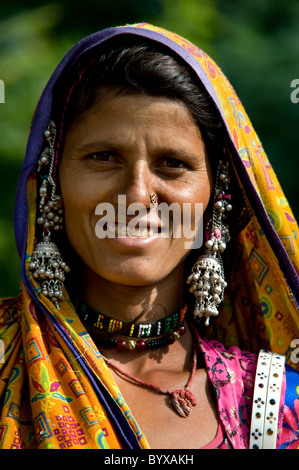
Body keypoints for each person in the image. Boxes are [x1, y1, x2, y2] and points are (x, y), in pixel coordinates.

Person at [0, 23, 298, 450]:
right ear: (51, 177)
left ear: (216, 194)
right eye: (104, 157)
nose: (137, 195)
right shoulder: (9, 363)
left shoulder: (275, 403)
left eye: (172, 163)